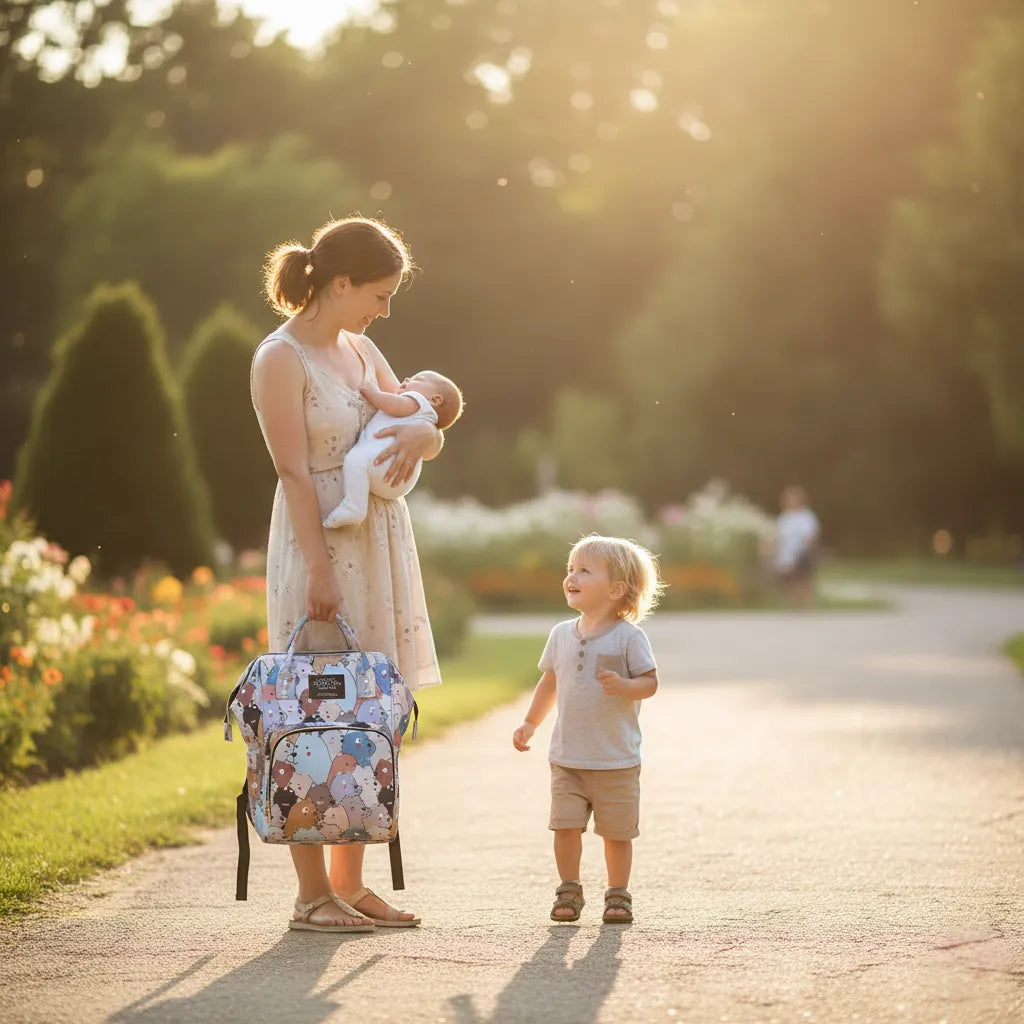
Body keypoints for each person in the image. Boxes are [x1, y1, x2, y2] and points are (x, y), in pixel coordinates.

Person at [250, 215, 444, 933]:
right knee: (310, 712)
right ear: (340, 283)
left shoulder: (362, 349)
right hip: (321, 539)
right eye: (379, 294)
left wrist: (427, 432)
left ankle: (350, 883)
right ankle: (310, 896)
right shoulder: (280, 358)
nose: (384, 310)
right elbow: (293, 471)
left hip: (380, 541)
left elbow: (417, 423)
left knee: (365, 711)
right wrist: (318, 570)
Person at [512, 535, 663, 925]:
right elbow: (549, 681)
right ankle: (569, 888)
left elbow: (649, 682)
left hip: (616, 760)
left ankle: (618, 894)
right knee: (564, 826)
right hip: (567, 758)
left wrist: (625, 685)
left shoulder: (629, 637)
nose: (571, 577)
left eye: (584, 571)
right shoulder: (561, 634)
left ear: (616, 590)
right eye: (570, 569)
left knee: (617, 833)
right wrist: (530, 722)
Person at [322, 370, 463, 528]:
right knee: (359, 461)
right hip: (398, 483)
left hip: (382, 461)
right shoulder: (423, 417)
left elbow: (393, 405)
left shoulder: (417, 402)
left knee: (355, 460)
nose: (407, 378)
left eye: (419, 379)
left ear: (435, 399)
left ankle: (354, 506)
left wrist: (373, 393)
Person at [772, 485, 820, 608]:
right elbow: (778, 536)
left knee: (804, 580)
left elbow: (811, 535)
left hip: (801, 553)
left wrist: (803, 551)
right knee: (788, 582)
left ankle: (808, 606)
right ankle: (790, 606)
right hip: (786, 554)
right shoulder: (784, 517)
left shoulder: (806, 517)